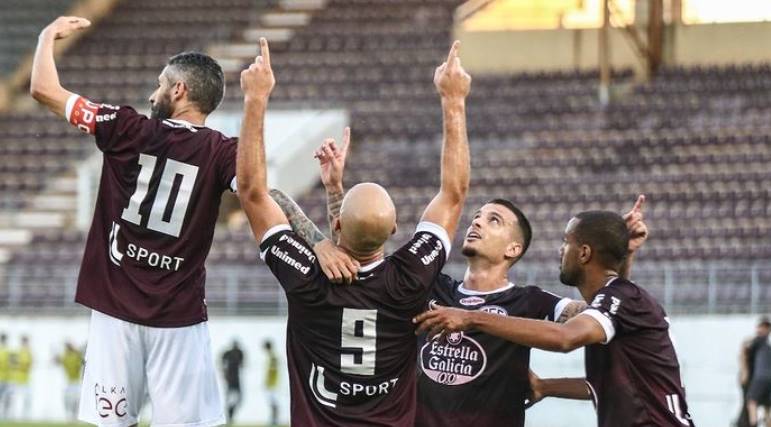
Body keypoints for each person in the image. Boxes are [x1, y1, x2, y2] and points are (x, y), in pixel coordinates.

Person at [29, 16, 353, 427]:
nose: (153, 93)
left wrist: (46, 38)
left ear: (179, 90)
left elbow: (42, 88)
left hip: (114, 313)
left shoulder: (124, 126)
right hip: (178, 319)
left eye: (161, 83)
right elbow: (261, 193)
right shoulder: (221, 153)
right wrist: (318, 241)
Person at [312, 110, 648, 426]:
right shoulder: (432, 288)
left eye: (493, 220)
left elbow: (605, 317)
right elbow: (357, 266)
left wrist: (622, 258)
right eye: (476, 217)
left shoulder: (531, 302)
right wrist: (334, 194)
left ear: (513, 248)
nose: (477, 223)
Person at [237, 38, 471, 425]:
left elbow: (253, 193)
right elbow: (453, 193)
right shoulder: (411, 277)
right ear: (395, 229)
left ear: (339, 225)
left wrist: (255, 99)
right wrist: (454, 101)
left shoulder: (306, 277)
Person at [415, 210, 694, 427]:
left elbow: (565, 338)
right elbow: (599, 386)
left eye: (566, 242)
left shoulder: (622, 297)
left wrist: (471, 319)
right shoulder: (619, 303)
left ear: (584, 253)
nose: (561, 251)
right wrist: (545, 387)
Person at [746, 317, 771, 427]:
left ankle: (753, 424)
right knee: (768, 405)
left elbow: (746, 346)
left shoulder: (760, 339)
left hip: (761, 377)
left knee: (751, 401)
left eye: (761, 327)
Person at [55, 341, 84, 421]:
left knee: (76, 401)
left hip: (76, 382)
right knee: (67, 400)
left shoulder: (76, 355)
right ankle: (69, 415)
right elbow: (57, 361)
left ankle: (75, 415)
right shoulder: (65, 356)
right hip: (68, 382)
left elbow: (81, 361)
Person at [9, 336, 32, 420]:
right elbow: (12, 363)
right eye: (24, 342)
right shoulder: (17, 352)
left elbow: (29, 365)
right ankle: (13, 415)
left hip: (26, 380)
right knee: (15, 399)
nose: (25, 343)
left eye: (26, 342)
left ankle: (25, 416)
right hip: (17, 379)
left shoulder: (29, 352)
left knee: (27, 399)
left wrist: (20, 364)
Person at [221, 340, 244, 423]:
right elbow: (222, 364)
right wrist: (224, 375)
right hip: (231, 381)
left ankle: (230, 416)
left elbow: (242, 364)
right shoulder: (229, 355)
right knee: (231, 399)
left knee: (237, 399)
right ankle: (229, 416)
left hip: (235, 380)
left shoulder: (238, 354)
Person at [263, 340, 280, 426]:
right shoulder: (271, 356)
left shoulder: (273, 357)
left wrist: (268, 382)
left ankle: (275, 420)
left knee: (274, 403)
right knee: (272, 403)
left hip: (272, 384)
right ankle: (273, 419)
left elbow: (273, 370)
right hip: (271, 384)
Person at [0, 333, 9, 419]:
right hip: (1, 378)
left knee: (6, 398)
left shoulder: (8, 351)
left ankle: (5, 415)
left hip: (6, 378)